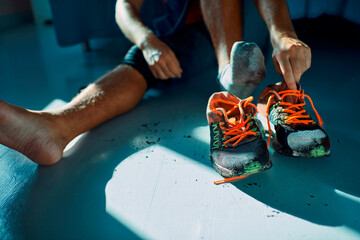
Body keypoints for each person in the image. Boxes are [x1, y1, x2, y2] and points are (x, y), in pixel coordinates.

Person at [0, 0, 312, 166]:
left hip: (250, 33)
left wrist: (282, 33)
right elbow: (124, 7)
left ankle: (231, 73)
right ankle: (55, 128)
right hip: (192, 39)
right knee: (138, 61)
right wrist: (148, 42)